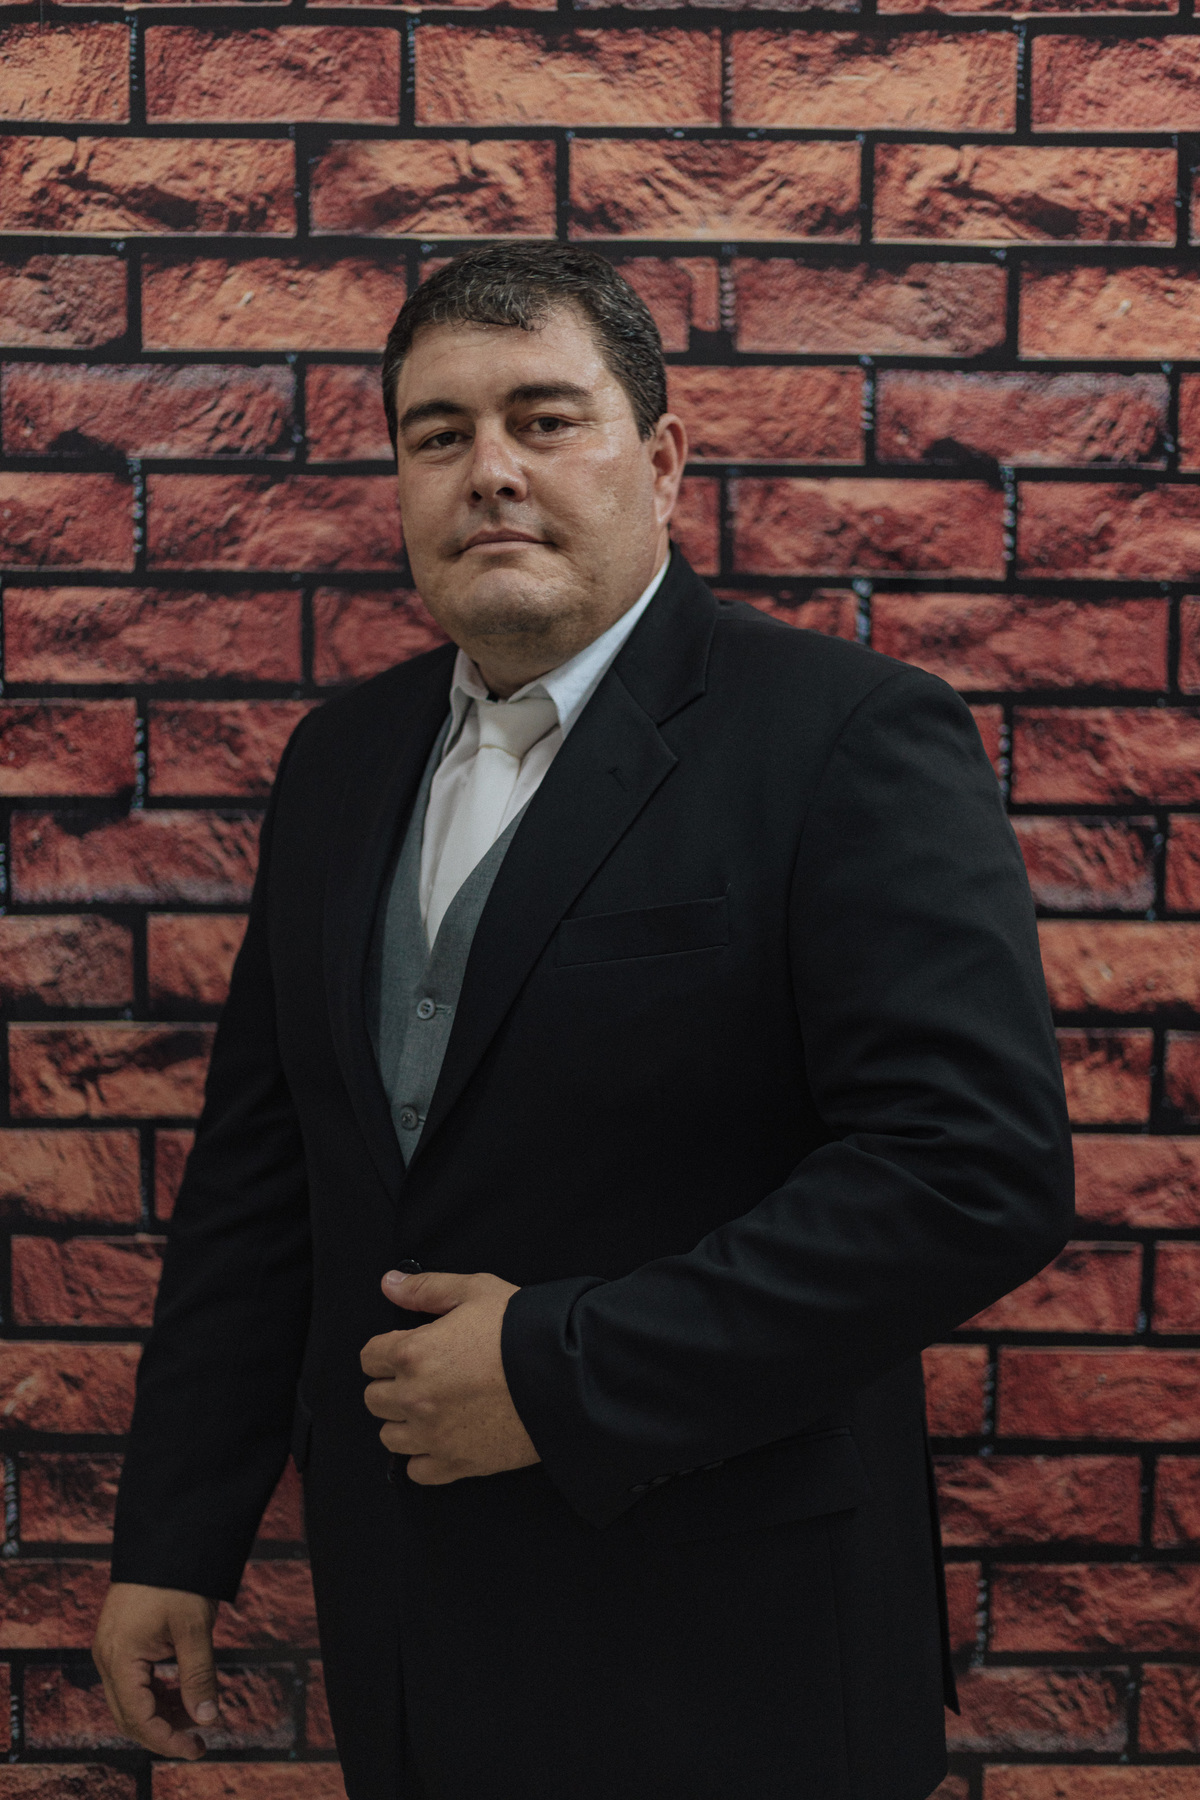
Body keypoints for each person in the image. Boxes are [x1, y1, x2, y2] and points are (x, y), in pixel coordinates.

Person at [94, 242, 1074, 1800]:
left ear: (662, 459)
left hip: (735, 1652)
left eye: (545, 420)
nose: (490, 470)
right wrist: (176, 1534)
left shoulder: (844, 737)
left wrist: (566, 1369)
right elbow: (264, 1181)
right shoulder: (338, 766)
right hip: (413, 1643)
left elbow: (972, 1172)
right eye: (439, 434)